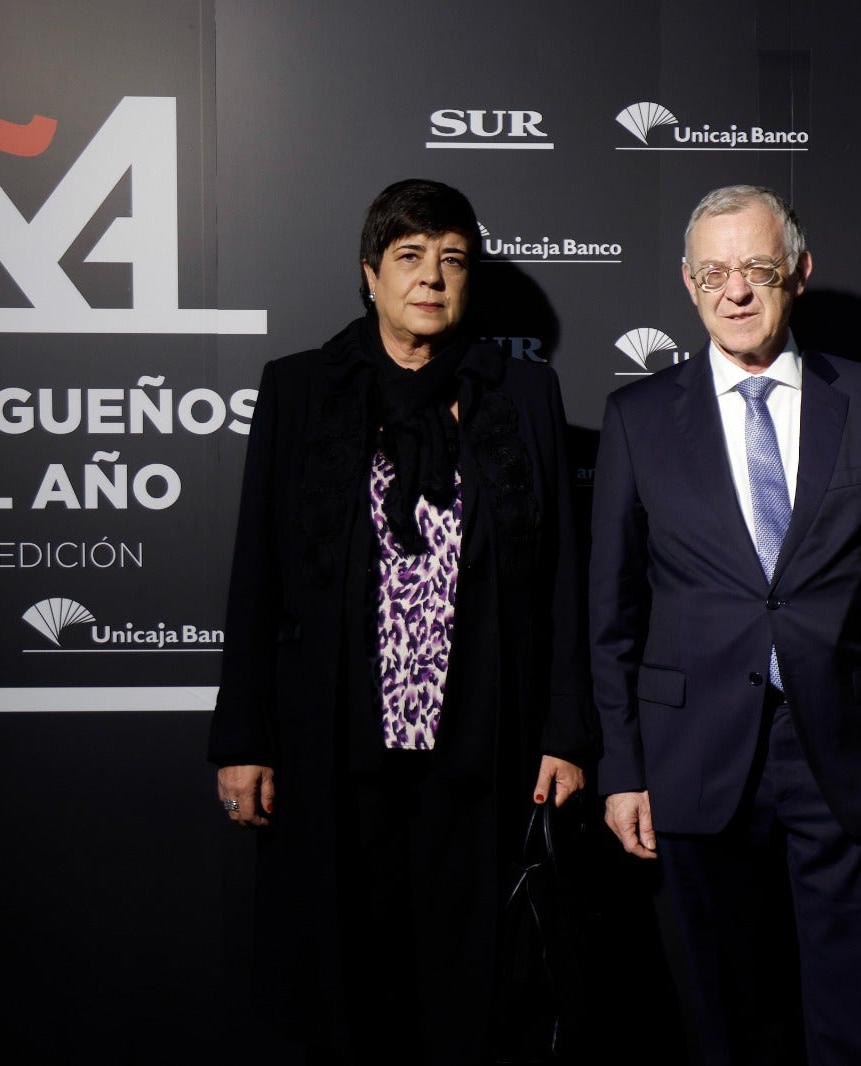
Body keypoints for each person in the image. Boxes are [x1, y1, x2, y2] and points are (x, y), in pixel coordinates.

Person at [210, 178, 597, 1064]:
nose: (432, 277)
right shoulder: (300, 389)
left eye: (452, 259)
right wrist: (244, 735)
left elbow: (563, 577)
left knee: (478, 975)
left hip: (484, 740)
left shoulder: (525, 395)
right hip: (337, 734)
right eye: (410, 257)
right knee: (347, 972)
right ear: (370, 275)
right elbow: (257, 567)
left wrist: (568, 732)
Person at [589, 184, 861, 1065]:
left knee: (859, 1022)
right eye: (715, 272)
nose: (737, 292)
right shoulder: (637, 419)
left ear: (798, 272)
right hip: (693, 760)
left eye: (757, 268)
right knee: (729, 1022)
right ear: (687, 283)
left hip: (847, 750)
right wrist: (622, 768)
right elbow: (610, 615)